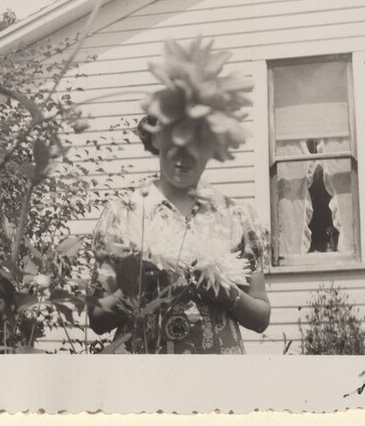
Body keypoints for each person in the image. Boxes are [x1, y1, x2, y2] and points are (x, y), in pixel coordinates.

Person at [87, 115, 272, 354]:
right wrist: (138, 286)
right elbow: (97, 320)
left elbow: (261, 317)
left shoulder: (236, 215)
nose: (184, 158)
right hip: (145, 371)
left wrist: (226, 293)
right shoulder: (124, 213)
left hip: (217, 374)